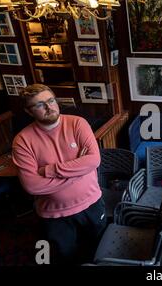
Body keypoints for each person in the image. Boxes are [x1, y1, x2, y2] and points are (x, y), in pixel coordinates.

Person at [12, 84, 106, 264]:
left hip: (92, 203)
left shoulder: (77, 123)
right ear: (29, 111)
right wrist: (79, 171)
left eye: (51, 100)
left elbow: (94, 161)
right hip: (54, 215)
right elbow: (32, 186)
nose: (49, 107)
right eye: (39, 105)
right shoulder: (22, 141)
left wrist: (49, 170)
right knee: (65, 257)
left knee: (99, 250)